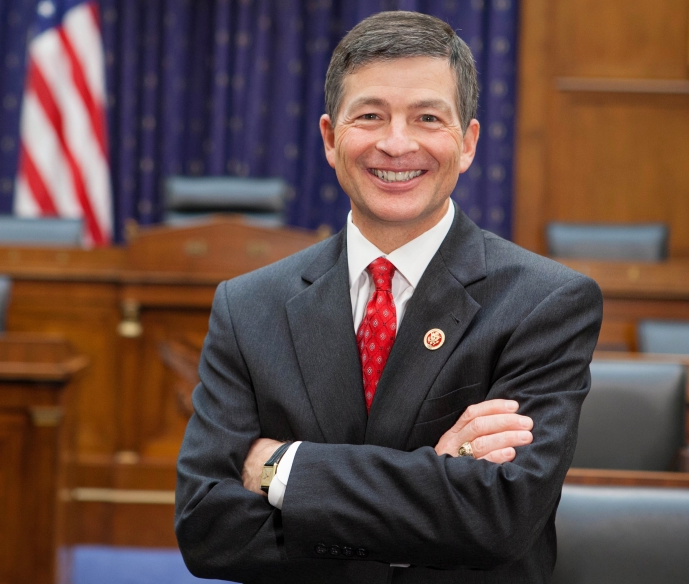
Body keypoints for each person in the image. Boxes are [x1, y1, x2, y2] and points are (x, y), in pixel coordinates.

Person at [175, 11, 602, 584]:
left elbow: (500, 518)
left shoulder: (547, 303)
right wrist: (433, 492)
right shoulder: (247, 306)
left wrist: (282, 468)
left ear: (467, 141)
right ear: (330, 139)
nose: (396, 144)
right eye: (370, 115)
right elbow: (206, 529)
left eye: (428, 117)